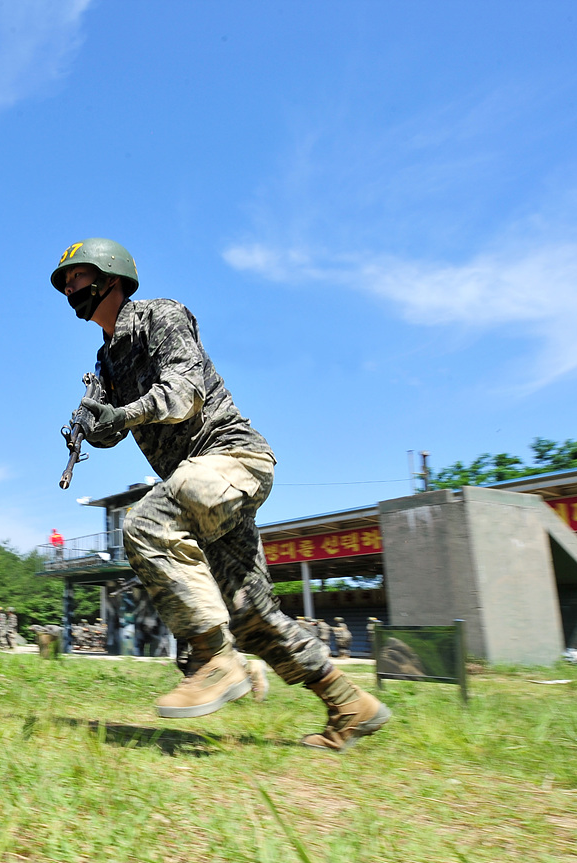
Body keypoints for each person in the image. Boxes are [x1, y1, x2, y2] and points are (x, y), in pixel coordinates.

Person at [51, 237, 389, 751]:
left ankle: (216, 660)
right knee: (252, 616)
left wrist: (121, 412)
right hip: (199, 481)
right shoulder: (106, 360)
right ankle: (348, 703)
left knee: (145, 524)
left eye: (77, 276)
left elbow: (184, 393)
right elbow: (111, 431)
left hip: (233, 458)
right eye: (66, 282)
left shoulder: (159, 316)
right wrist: (94, 424)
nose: (69, 288)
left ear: (111, 276)